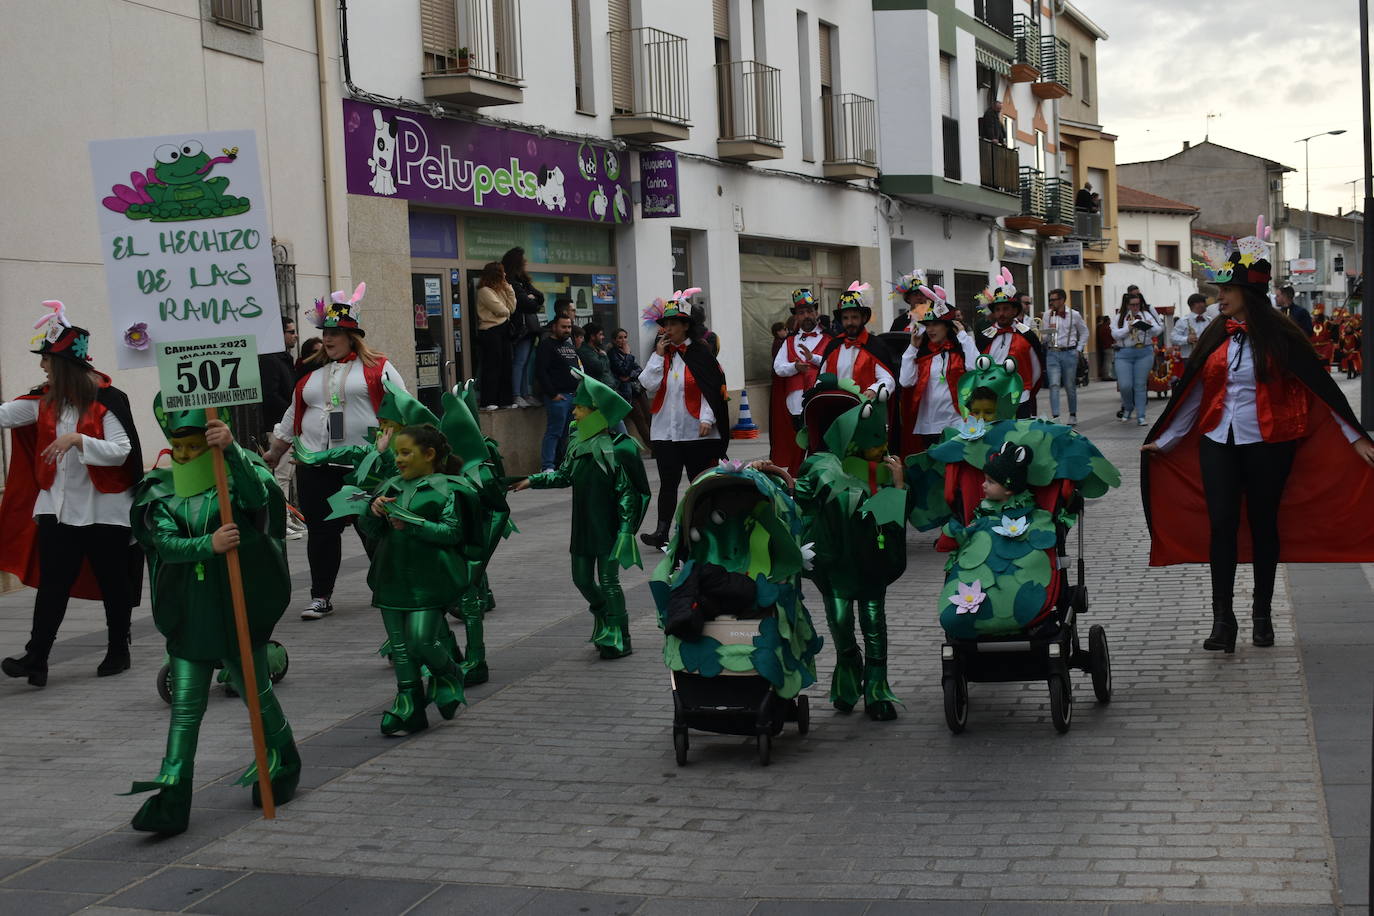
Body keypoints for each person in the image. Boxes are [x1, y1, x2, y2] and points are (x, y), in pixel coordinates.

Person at [1143, 222, 1374, 654]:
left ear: (1248, 293)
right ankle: (1222, 620)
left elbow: (1320, 389)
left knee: (1265, 524)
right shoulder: (1217, 333)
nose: (1219, 296)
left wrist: (1355, 436)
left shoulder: (1284, 336)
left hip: (1270, 443)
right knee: (1222, 524)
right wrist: (1167, 438)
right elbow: (1194, 394)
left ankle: (1262, 616)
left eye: (1226, 290)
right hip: (1218, 440)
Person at [125, 402, 299, 835]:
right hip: (191, 616)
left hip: (237, 611)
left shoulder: (238, 480)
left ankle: (283, 763)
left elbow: (260, 502)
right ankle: (173, 795)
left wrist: (234, 451)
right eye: (177, 447)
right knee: (185, 710)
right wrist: (210, 544)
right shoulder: (158, 490)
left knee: (257, 696)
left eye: (194, 446)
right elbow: (162, 543)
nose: (183, 456)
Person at [0, 303, 143, 686]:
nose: (42, 366)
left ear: (63, 364)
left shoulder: (107, 401)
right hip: (58, 509)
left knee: (114, 582)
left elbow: (122, 450)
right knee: (53, 585)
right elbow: (5, 414)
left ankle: (118, 648)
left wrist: (79, 439)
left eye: (46, 359)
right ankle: (37, 658)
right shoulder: (43, 402)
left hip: (105, 508)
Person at [263, 282, 406, 620]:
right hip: (316, 465)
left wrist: (392, 446)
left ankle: (389, 586)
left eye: (336, 332)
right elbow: (293, 412)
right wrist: (276, 450)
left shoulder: (378, 366)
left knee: (371, 527)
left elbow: (401, 406)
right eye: (326, 331)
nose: (328, 338)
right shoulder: (312, 371)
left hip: (362, 467)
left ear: (352, 336)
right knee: (322, 534)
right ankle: (321, 595)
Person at [511, 371, 650, 659]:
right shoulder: (577, 444)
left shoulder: (621, 449)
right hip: (584, 525)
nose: (574, 412)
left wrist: (626, 529)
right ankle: (602, 617)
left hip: (610, 526)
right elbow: (564, 476)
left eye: (580, 407)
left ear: (597, 412)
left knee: (610, 582)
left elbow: (629, 492)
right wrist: (533, 480)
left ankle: (619, 633)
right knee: (582, 579)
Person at [795, 380, 905, 721]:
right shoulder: (820, 465)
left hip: (871, 561)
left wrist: (897, 484)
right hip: (836, 563)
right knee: (841, 624)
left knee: (874, 622)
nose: (879, 446)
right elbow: (801, 502)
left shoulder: (883, 470)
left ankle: (876, 690)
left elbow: (889, 518)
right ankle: (847, 679)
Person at [637, 291, 729, 549]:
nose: (668, 329)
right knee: (668, 483)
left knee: (699, 482)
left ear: (686, 326)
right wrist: (657, 355)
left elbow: (712, 389)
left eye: (673, 324)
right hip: (666, 431)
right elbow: (647, 384)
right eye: (665, 324)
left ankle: (704, 527)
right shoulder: (662, 354)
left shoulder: (701, 353)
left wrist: (707, 418)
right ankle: (661, 531)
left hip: (696, 430)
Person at [897, 286, 979, 453]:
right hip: (929, 425)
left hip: (957, 422)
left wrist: (963, 336)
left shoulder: (960, 351)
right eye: (927, 325)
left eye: (935, 324)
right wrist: (912, 347)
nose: (930, 330)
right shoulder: (922, 354)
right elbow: (905, 381)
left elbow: (976, 368)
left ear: (948, 326)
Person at [770, 288, 831, 473]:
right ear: (796, 316)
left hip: (820, 404)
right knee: (796, 453)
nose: (806, 315)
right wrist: (794, 367)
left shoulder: (829, 339)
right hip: (795, 408)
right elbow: (778, 368)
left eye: (810, 311)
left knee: (819, 452)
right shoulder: (788, 342)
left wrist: (813, 359)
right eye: (802, 312)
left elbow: (833, 364)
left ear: (816, 312)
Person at [975, 269, 1043, 419]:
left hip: (1021, 396)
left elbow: (1037, 367)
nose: (1001, 313)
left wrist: (1028, 391)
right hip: (992, 396)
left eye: (1006, 309)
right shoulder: (985, 336)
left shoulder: (1027, 335)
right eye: (998, 309)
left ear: (1014, 311)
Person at [816, 282, 897, 396]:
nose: (850, 322)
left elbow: (888, 379)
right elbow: (822, 378)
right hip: (836, 409)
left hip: (866, 409)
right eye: (845, 318)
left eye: (854, 317)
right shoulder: (833, 346)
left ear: (863, 318)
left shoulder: (876, 345)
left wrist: (874, 390)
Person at [535, 313, 582, 472]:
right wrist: (552, 394)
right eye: (563, 327)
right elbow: (541, 372)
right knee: (554, 432)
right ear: (554, 327)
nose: (567, 330)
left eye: (569, 327)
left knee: (567, 433)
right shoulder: (546, 345)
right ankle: (547, 466)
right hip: (558, 397)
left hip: (572, 396)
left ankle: (562, 463)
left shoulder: (569, 345)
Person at [1111, 290, 1162, 426]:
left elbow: (1158, 329)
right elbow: (1115, 334)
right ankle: (1128, 408)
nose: (1135, 307)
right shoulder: (1120, 317)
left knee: (1140, 385)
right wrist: (1129, 328)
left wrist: (1147, 327)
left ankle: (1141, 415)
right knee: (1125, 385)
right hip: (1124, 353)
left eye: (1137, 304)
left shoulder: (1146, 315)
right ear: (1127, 305)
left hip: (1144, 352)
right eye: (1133, 305)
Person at [503, 247, 545, 408]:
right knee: (519, 362)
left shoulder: (523, 281)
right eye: (523, 259)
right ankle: (517, 395)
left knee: (526, 362)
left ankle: (525, 394)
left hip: (530, 327)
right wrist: (531, 300)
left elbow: (539, 298)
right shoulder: (512, 282)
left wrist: (532, 299)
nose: (526, 262)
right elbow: (526, 303)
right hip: (520, 327)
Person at [1041, 288, 1089, 424]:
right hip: (1052, 352)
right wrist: (1047, 333)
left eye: (1053, 300)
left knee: (1069, 385)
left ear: (1062, 300)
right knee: (1054, 384)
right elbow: (1044, 339)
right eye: (1050, 300)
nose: (1051, 303)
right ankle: (1056, 416)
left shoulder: (1074, 315)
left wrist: (1079, 349)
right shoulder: (1047, 315)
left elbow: (1085, 332)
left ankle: (1073, 414)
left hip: (1069, 352)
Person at [475, 261, 516, 410]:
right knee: (492, 365)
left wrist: (508, 288)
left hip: (503, 329)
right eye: (502, 272)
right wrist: (505, 309)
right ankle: (488, 401)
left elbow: (511, 308)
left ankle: (505, 400)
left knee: (506, 365)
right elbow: (501, 310)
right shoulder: (484, 291)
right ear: (496, 274)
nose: (505, 275)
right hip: (490, 330)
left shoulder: (500, 290)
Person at [607, 327, 652, 445]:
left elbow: (639, 370)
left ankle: (657, 444)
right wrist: (628, 356)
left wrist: (630, 375)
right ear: (614, 340)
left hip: (637, 388)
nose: (623, 340)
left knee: (649, 415)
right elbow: (622, 371)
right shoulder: (613, 354)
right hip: (626, 392)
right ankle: (653, 448)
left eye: (625, 337)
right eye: (620, 338)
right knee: (640, 419)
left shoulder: (627, 352)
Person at [1170, 293, 1216, 359]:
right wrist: (1187, 339)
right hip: (1189, 357)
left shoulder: (1210, 320)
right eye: (1204, 302)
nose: (1206, 305)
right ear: (1196, 305)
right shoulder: (1183, 321)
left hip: (1207, 356)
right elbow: (1173, 338)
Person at [1095, 315, 1115, 381]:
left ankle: (1105, 374)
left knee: (1106, 361)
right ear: (1107, 321)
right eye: (1109, 320)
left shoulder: (1101, 327)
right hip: (1108, 346)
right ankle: (1106, 375)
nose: (1110, 322)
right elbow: (1111, 336)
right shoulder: (1106, 328)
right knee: (1108, 362)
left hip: (1104, 346)